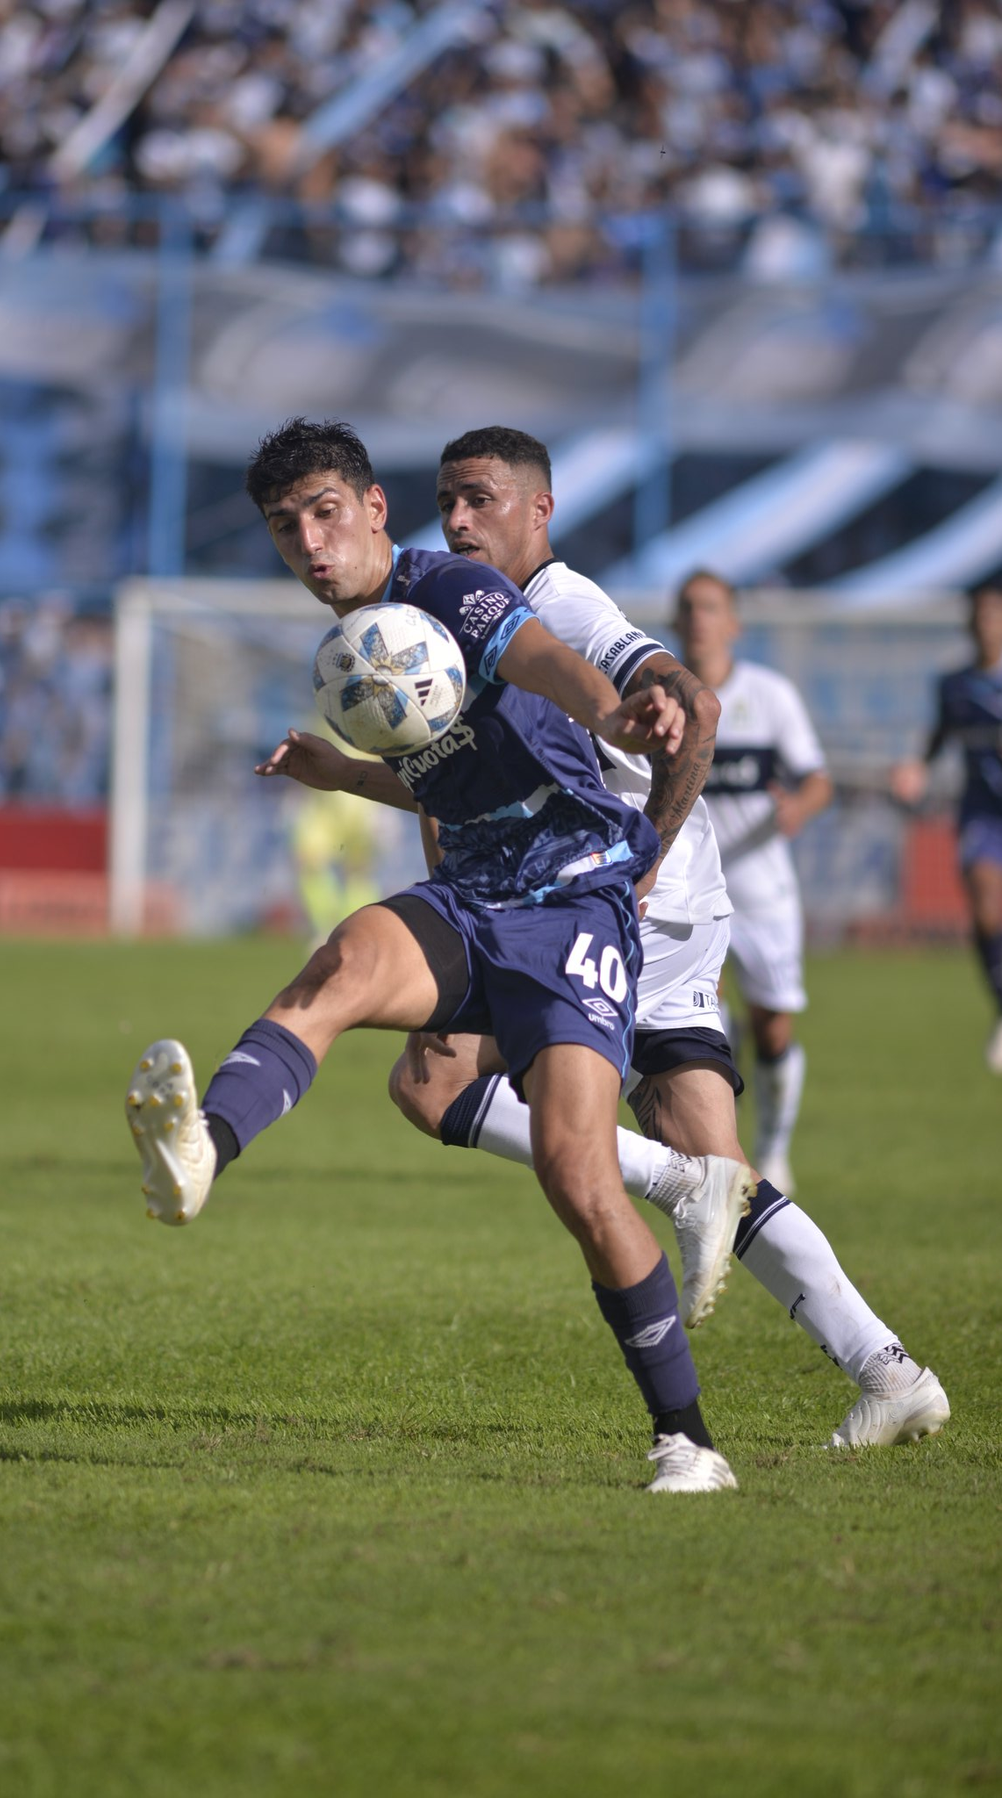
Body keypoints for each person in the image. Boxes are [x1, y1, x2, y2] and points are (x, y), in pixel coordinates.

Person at [266, 427, 948, 1451]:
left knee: (439, 1084)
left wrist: (644, 865)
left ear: (538, 512)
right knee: (694, 1147)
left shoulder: (559, 604)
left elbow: (695, 708)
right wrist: (353, 776)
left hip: (618, 906)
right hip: (600, 903)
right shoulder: (447, 608)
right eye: (448, 500)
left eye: (482, 499)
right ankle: (888, 1369)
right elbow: (451, 773)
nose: (458, 520)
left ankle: (697, 1224)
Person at [126, 415, 741, 1494]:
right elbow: (453, 771)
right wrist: (342, 772)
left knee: (578, 1175)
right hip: (471, 896)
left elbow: (548, 664)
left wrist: (622, 714)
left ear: (373, 508)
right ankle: (201, 1150)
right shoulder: (354, 649)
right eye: (285, 528)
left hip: (573, 900)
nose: (310, 544)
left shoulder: (447, 590)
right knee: (338, 969)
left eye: (326, 514)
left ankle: (686, 1439)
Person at [673, 569, 833, 1200]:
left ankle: (775, 1146)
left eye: (711, 607)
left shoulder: (769, 697)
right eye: (688, 608)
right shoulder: (661, 695)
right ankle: (716, 1159)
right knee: (697, 1018)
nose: (699, 618)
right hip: (688, 888)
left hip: (761, 886)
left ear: (733, 622)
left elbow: (817, 779)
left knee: (772, 1027)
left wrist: (797, 807)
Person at [892, 581, 1002, 1074]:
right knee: (984, 907)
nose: (986, 624)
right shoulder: (955, 685)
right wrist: (918, 767)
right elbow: (939, 738)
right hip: (982, 811)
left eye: (994, 615)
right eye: (980, 615)